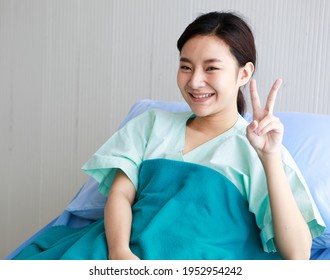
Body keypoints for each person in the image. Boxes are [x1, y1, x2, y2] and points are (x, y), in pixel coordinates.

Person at [12, 11, 325, 261]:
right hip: (122, 254)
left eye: (211, 68)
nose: (195, 82)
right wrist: (120, 254)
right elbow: (121, 195)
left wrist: (270, 159)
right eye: (186, 67)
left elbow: (297, 255)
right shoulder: (150, 124)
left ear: (244, 73)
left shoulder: (263, 147)